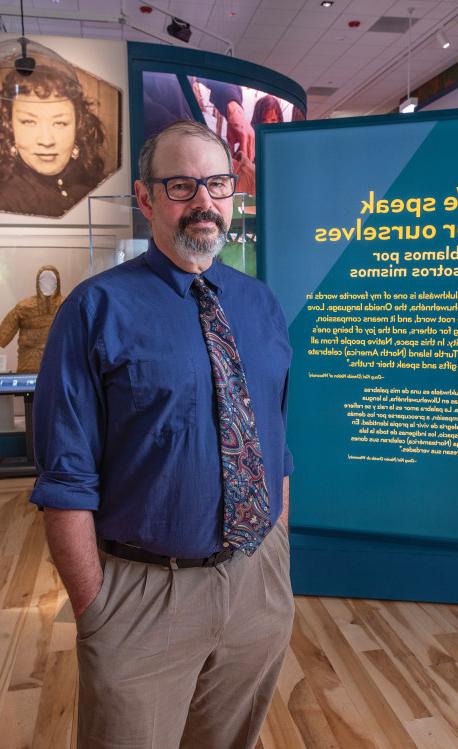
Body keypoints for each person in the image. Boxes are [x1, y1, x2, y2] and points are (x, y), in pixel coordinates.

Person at [31, 119, 294, 748]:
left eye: (217, 184)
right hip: (143, 597)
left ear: (233, 195)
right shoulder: (95, 310)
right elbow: (65, 480)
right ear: (147, 199)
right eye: (181, 185)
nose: (203, 201)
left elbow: (276, 444)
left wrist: (277, 557)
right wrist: (99, 611)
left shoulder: (260, 304)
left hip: (256, 586)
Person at [0, 64, 105, 217]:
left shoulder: (97, 185)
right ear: (10, 127)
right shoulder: (6, 200)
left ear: (78, 127)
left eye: (60, 123)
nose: (46, 140)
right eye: (29, 122)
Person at [0, 265, 64, 372]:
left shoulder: (65, 305)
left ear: (57, 282)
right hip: (28, 368)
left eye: (51, 279)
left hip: (57, 367)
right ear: (38, 282)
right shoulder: (24, 307)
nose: (47, 283)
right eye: (43, 279)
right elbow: (3, 335)